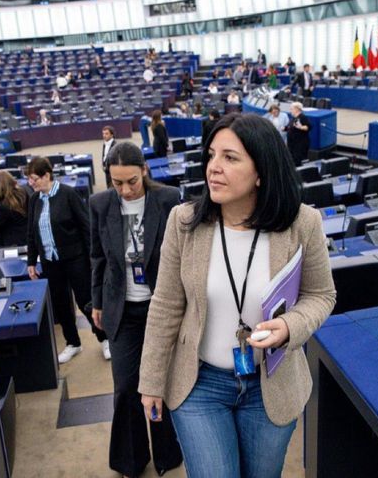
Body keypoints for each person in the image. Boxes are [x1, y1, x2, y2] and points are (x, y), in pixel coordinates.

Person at [138, 113, 336, 478]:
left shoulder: (302, 223)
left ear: (261, 170)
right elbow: (164, 306)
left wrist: (290, 326)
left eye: (230, 158)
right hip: (200, 384)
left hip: (271, 386)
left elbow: (321, 295)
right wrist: (150, 381)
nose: (214, 167)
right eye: (211, 155)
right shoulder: (184, 222)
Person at [90, 142, 184, 477]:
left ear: (144, 170)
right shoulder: (100, 204)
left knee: (163, 384)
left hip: (162, 308)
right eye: (118, 183)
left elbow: (183, 255)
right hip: (122, 310)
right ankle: (131, 460)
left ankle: (168, 456)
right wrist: (97, 301)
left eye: (131, 180)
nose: (126, 190)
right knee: (126, 388)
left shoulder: (169, 199)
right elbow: (98, 258)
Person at [26, 157, 108, 363]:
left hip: (75, 259)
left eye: (34, 179)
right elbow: (31, 233)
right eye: (29, 180)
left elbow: (86, 228)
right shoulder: (34, 200)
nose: (31, 183)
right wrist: (31, 261)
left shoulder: (68, 194)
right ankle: (73, 343)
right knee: (61, 305)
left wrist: (93, 259)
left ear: (47, 175)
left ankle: (104, 339)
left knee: (86, 301)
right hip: (50, 262)